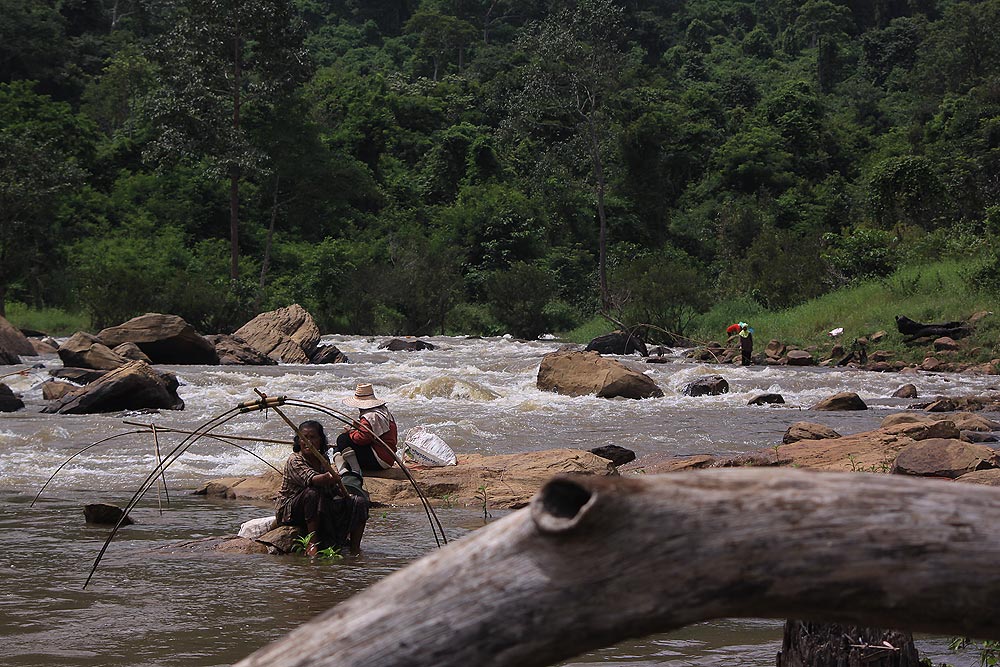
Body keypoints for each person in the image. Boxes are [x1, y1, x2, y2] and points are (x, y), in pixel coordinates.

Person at [274, 420, 369, 555]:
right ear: (298, 441)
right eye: (304, 438)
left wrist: (345, 494)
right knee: (312, 493)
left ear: (320, 440)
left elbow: (332, 490)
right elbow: (313, 479)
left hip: (319, 506)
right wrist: (330, 477)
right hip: (292, 510)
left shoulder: (322, 459)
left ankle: (355, 547)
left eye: (313, 437)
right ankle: (312, 543)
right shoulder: (294, 460)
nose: (308, 442)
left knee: (359, 502)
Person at [335, 383, 398, 474]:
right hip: (389, 458)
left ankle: (355, 471)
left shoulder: (369, 417)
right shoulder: (384, 412)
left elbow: (362, 439)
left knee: (342, 439)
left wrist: (351, 431)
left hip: (379, 459)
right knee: (338, 449)